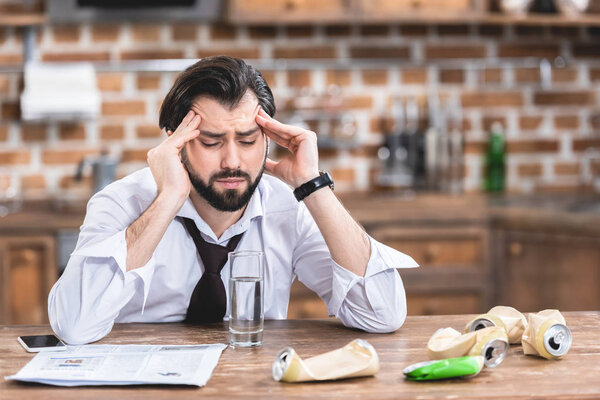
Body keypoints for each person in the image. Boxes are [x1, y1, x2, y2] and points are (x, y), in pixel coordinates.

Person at [48, 56, 418, 345]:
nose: (232, 162)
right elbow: (74, 326)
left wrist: (313, 186)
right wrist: (169, 198)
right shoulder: (121, 203)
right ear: (174, 142)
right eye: (210, 142)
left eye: (247, 140)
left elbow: (381, 315)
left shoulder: (289, 206)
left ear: (269, 138)